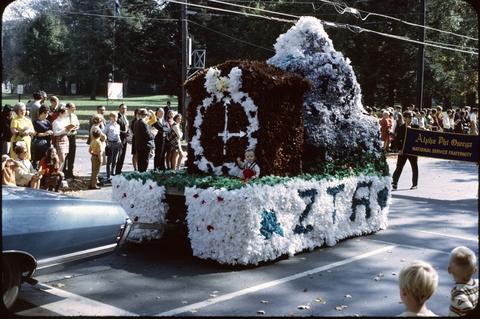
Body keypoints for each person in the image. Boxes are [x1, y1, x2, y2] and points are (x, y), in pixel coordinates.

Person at [448, 246, 479, 317]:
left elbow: (467, 308)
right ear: (474, 271)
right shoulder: (477, 284)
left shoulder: (458, 291)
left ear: (449, 270)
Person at [392, 111, 418, 190]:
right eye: (409, 117)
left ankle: (414, 184)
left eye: (412, 117)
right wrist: (399, 149)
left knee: (414, 167)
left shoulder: (415, 127)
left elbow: (418, 138)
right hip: (403, 151)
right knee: (399, 167)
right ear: (405, 118)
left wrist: (412, 131)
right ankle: (394, 182)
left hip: (412, 150)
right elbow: (397, 140)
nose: (410, 119)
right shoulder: (401, 127)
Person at [52, 107, 73, 171]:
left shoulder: (65, 121)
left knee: (64, 157)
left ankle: (60, 172)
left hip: (65, 138)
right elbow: (55, 133)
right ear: (60, 113)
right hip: (59, 139)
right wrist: (64, 130)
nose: (66, 115)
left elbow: (67, 131)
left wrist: (70, 129)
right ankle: (57, 171)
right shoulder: (55, 122)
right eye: (64, 113)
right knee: (61, 158)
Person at [103, 112, 122, 181]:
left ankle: (113, 173)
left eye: (116, 117)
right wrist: (106, 140)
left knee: (115, 159)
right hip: (111, 143)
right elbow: (103, 133)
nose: (115, 118)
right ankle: (108, 175)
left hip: (117, 143)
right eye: (113, 117)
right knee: (109, 160)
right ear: (110, 117)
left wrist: (119, 140)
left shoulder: (118, 126)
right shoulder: (108, 126)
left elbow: (118, 134)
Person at [63, 102, 80, 179]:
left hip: (73, 136)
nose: (74, 109)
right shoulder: (64, 116)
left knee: (72, 155)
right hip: (66, 136)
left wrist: (76, 127)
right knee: (65, 155)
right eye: (73, 107)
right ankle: (64, 172)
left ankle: (70, 171)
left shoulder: (74, 116)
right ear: (68, 108)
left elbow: (77, 124)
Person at [116, 103, 129, 175]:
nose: (124, 110)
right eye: (122, 108)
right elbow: (116, 129)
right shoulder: (118, 117)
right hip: (120, 138)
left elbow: (127, 126)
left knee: (123, 154)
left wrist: (128, 132)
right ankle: (117, 171)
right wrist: (123, 133)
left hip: (125, 138)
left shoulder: (125, 117)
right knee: (119, 154)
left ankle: (119, 169)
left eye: (125, 108)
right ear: (119, 109)